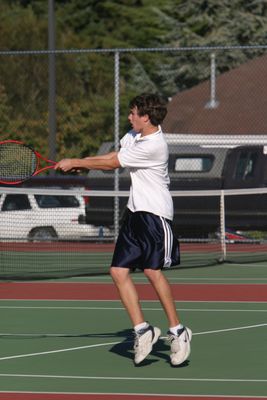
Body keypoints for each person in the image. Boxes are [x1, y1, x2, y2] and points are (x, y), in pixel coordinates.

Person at [55, 93, 192, 366]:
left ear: (146, 117)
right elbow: (113, 156)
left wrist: (76, 161)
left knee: (153, 272)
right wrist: (80, 162)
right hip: (134, 213)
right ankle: (143, 330)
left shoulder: (155, 145)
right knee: (118, 271)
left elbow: (113, 163)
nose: (129, 117)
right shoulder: (134, 135)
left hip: (155, 214)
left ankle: (178, 331)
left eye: (133, 113)